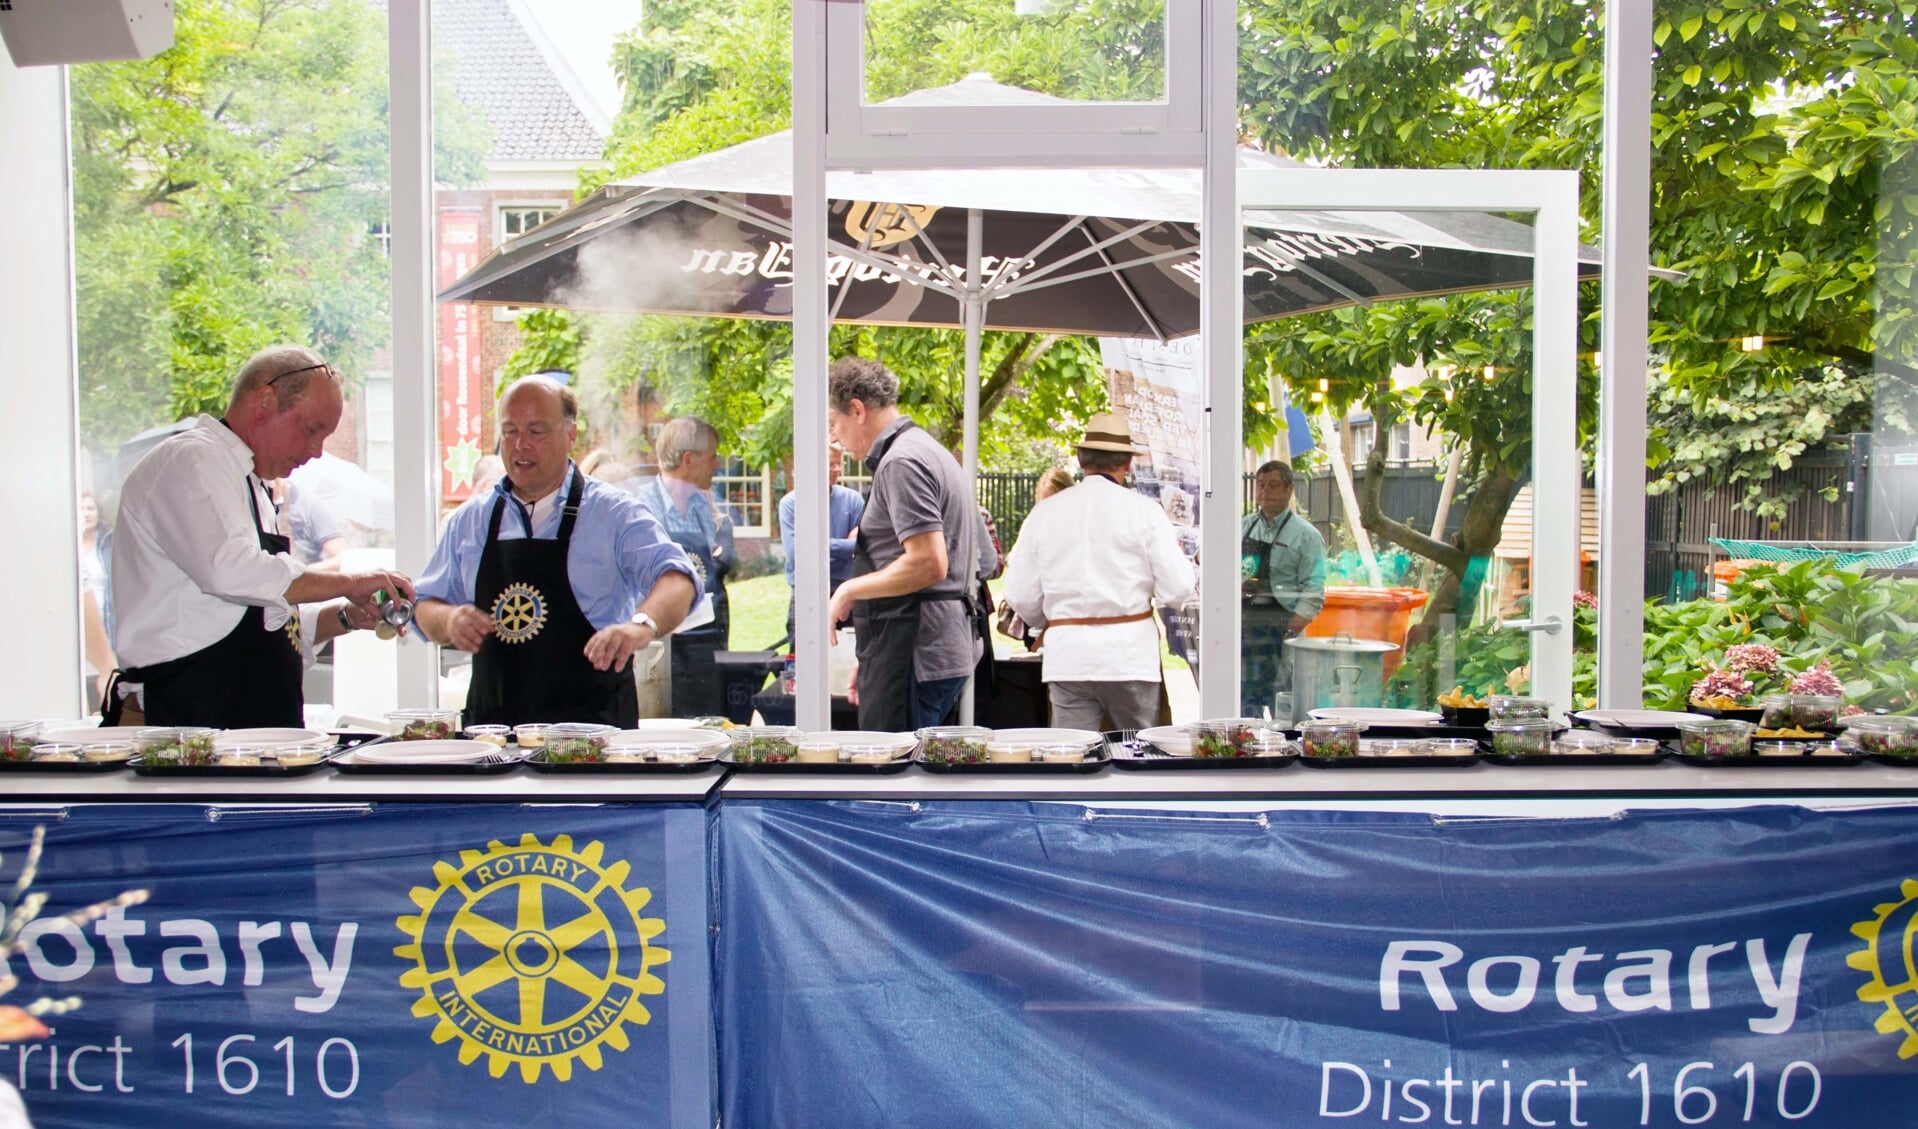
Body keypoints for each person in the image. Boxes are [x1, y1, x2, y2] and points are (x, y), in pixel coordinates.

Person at [106, 346, 414, 727]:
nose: (316, 452)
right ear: (266, 400)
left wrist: (348, 617)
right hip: (189, 727)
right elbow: (231, 573)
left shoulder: (252, 485)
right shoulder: (192, 460)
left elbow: (264, 626)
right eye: (310, 430)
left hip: (245, 722)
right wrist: (349, 582)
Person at [414, 377, 699, 728]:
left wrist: (641, 625)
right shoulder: (470, 520)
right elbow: (424, 603)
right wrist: (448, 620)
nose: (520, 445)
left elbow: (677, 578)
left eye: (536, 431)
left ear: (571, 435)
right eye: (510, 431)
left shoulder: (613, 514)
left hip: (592, 743)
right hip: (494, 742)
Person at [1001, 413, 1195, 731]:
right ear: (1128, 464)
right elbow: (1178, 588)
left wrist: (1052, 620)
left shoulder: (1044, 513)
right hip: (1129, 657)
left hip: (1068, 659)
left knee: (1072, 763)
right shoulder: (1145, 512)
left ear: (1080, 459)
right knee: (1139, 758)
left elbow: (1019, 593)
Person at [825, 357, 980, 731]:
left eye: (834, 424)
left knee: (893, 779)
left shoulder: (902, 462)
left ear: (857, 410)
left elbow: (928, 563)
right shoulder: (928, 450)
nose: (834, 437)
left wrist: (848, 590)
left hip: (916, 649)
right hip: (925, 646)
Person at [634, 416, 736, 717]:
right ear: (688, 460)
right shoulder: (642, 508)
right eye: (712, 457)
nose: (717, 465)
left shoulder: (701, 506)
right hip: (661, 646)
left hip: (704, 639)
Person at [1241, 459, 1328, 717]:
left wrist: (1289, 630)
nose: (1265, 491)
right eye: (1261, 485)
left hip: (1280, 633)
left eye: (1273, 485)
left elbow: (1314, 590)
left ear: (1289, 490)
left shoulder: (1307, 536)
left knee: (1284, 707)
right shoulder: (1242, 526)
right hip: (1245, 632)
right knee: (1245, 704)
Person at [778, 442, 865, 638]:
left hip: (847, 594)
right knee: (801, 660)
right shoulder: (791, 505)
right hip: (806, 593)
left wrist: (816, 546)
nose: (837, 469)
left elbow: (862, 550)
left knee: (847, 658)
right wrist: (845, 549)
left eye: (839, 463)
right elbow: (797, 555)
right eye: (830, 464)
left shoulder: (853, 500)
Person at [78, 491, 116, 706]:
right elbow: (81, 590)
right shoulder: (72, 550)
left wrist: (107, 669)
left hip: (104, 627)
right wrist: (107, 668)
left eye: (90, 508)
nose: (86, 514)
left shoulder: (109, 540)